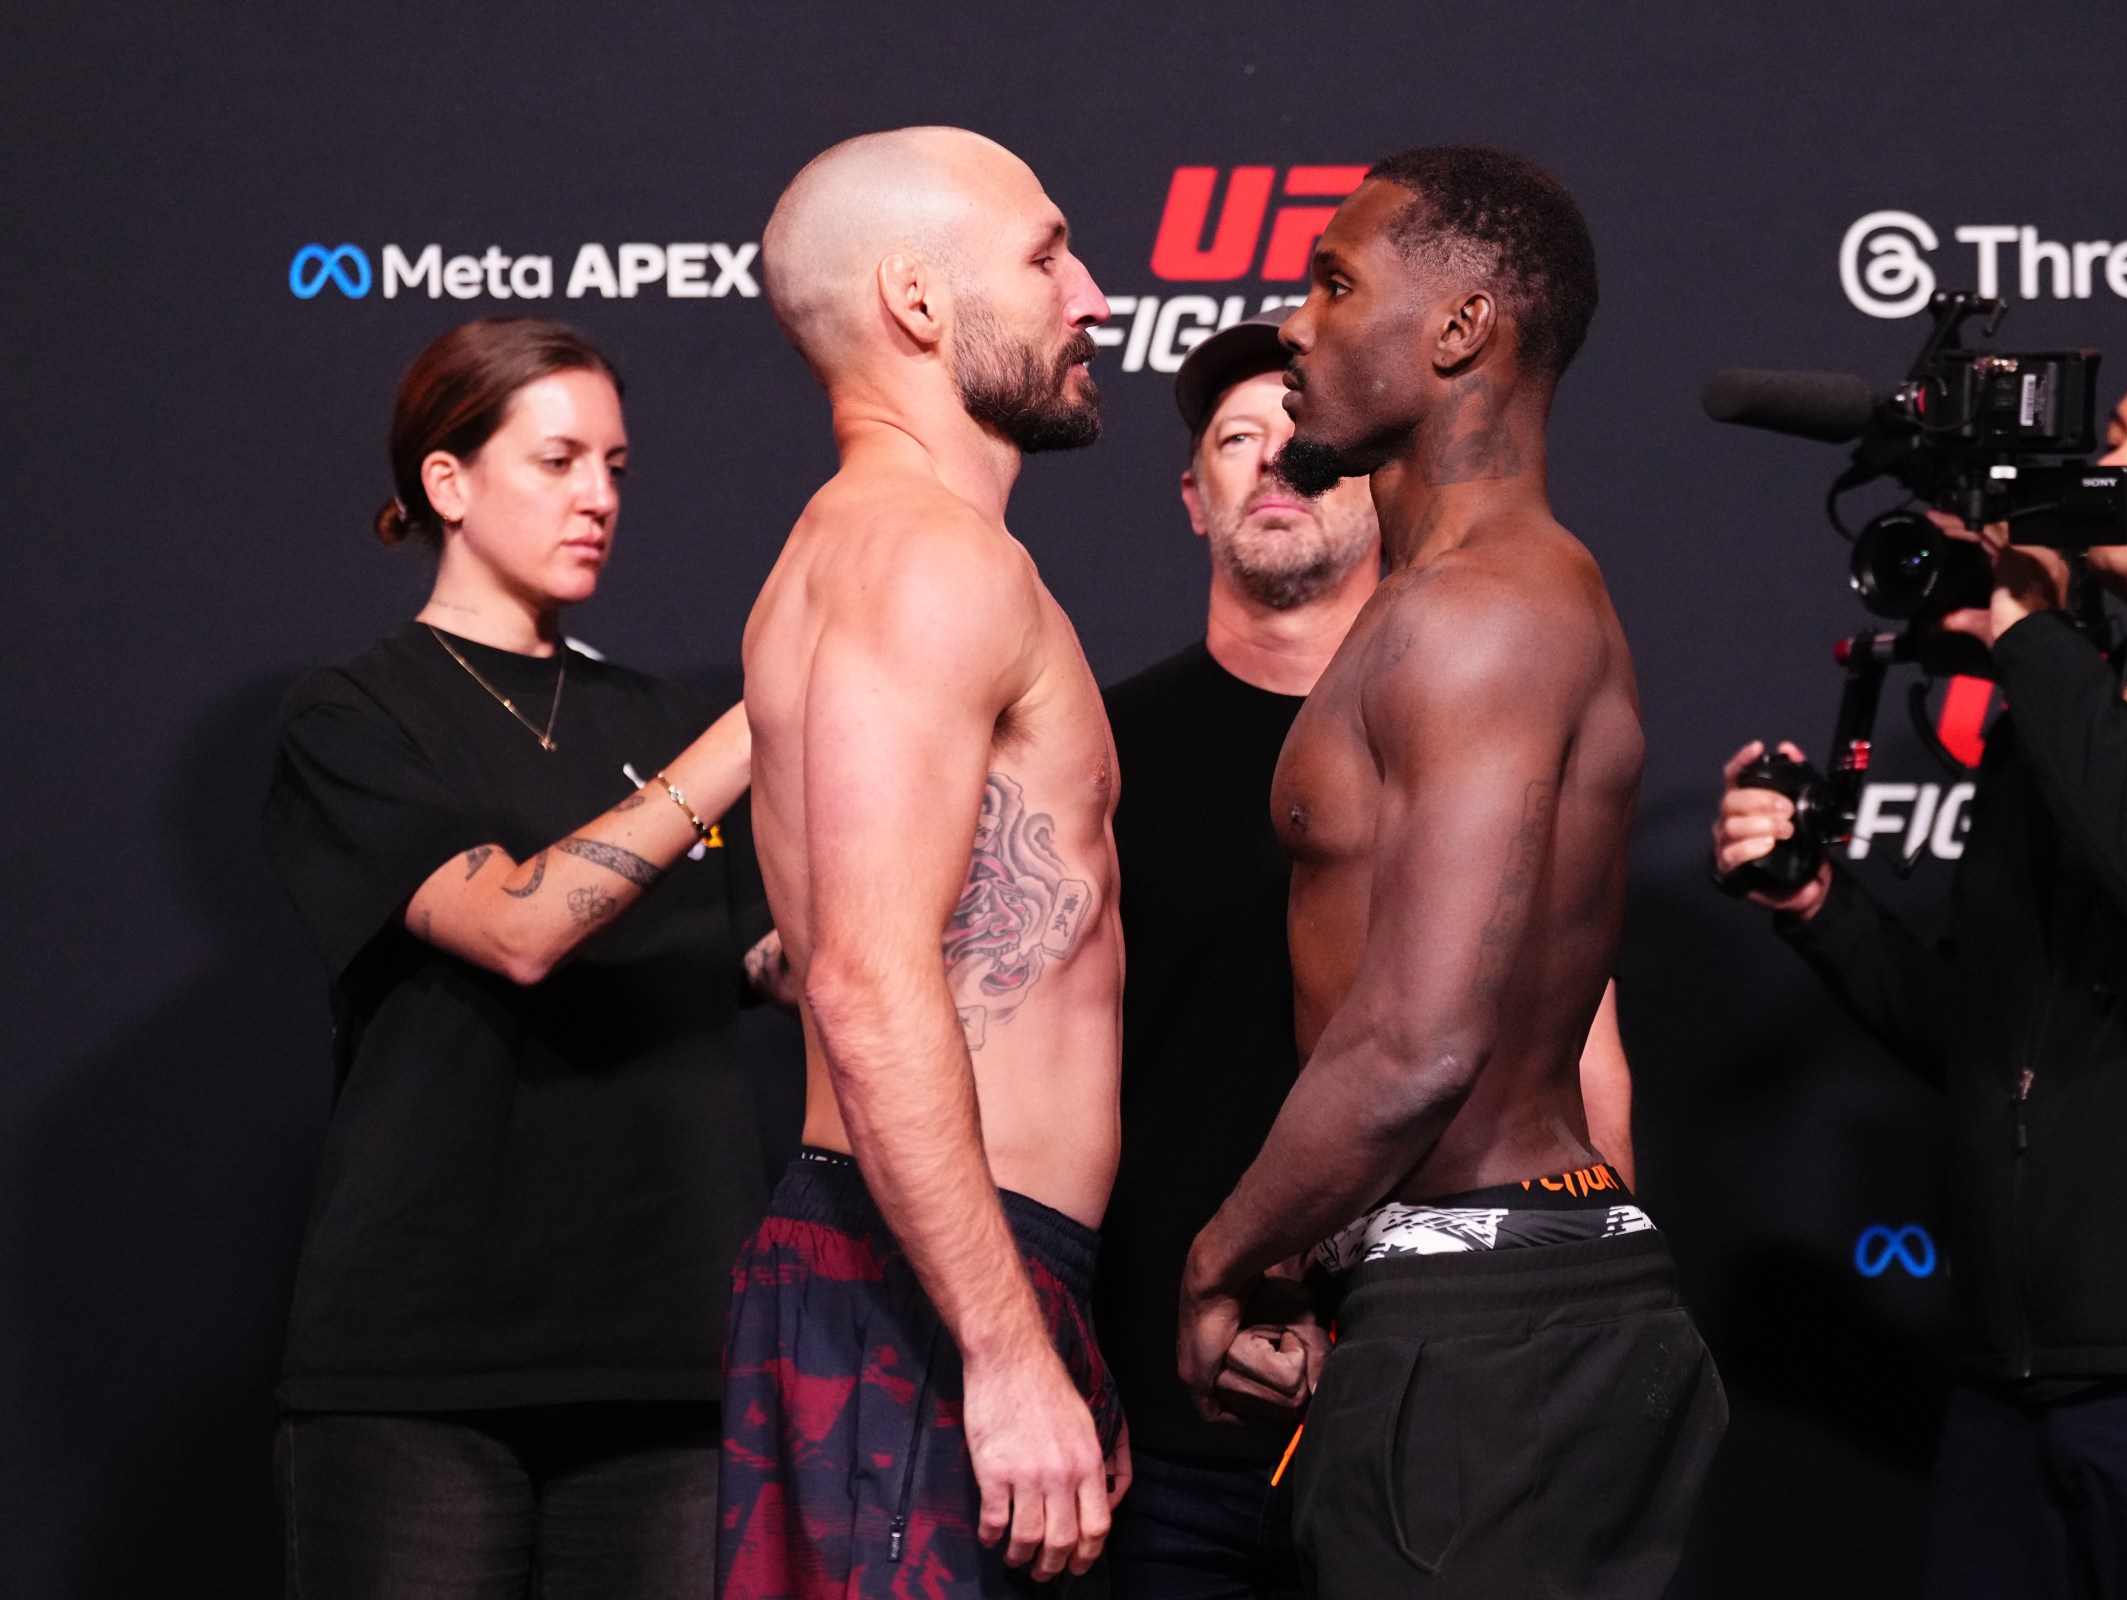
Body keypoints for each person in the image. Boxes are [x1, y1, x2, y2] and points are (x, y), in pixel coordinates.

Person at [1712, 322, 2127, 1599]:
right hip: (2007, 1395)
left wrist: (2030, 633)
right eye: (2113, 431)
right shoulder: (2059, 741)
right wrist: (1818, 902)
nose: (2108, 461)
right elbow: (1988, 1034)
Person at [1175, 147, 1725, 1600]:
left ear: (1463, 330)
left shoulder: (1480, 613)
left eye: (1335, 283)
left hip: (1491, 1336)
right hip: (1483, 1312)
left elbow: (1419, 1045)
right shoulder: (1477, 596)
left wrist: (1220, 1261)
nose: (1295, 323)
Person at [1101, 310, 1646, 1599]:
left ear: (1362, 468)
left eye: (1300, 432)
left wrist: (1537, 1320)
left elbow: (1581, 1060)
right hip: (1160, 1400)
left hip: (1427, 1375)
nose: (1276, 459)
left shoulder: (1472, 695)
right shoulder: (1099, 744)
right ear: (1192, 498)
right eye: (1236, 438)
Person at [262, 317, 794, 1599]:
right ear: (447, 484)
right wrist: (758, 722)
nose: (600, 497)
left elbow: (777, 960)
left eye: (615, 464)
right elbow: (516, 927)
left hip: (673, 1355)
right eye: (558, 461)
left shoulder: (657, 718)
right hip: (426, 1364)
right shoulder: (356, 713)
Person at [716, 127, 1126, 1598]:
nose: (1093, 296)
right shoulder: (932, 564)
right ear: (916, 299)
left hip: (927, 1265)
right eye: (1045, 255)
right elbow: (867, 981)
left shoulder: (856, 550)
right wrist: (1008, 1352)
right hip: (938, 1278)